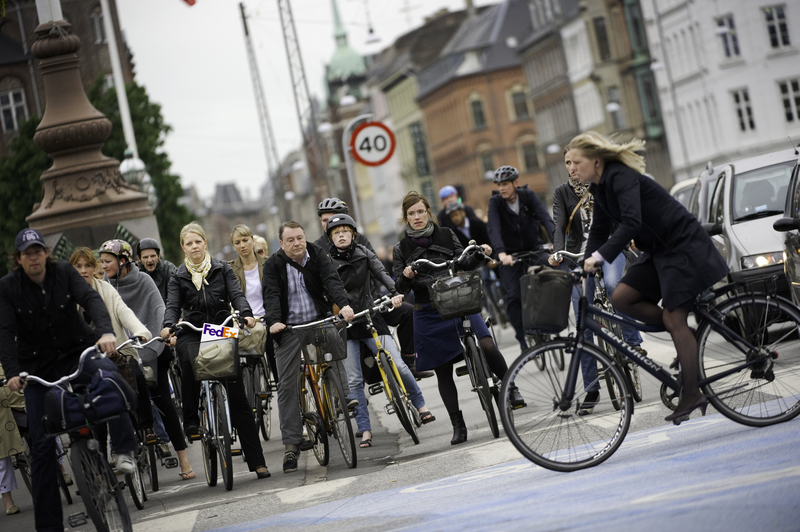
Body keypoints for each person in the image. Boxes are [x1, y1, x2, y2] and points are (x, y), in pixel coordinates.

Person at [567, 131, 728, 421]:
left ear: (597, 160)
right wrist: (583, 266)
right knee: (622, 298)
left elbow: (631, 223)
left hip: (682, 247)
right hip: (659, 251)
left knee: (674, 318)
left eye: (577, 162)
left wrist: (599, 258)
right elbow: (599, 231)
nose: (572, 168)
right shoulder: (599, 187)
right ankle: (686, 336)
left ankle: (692, 394)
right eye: (570, 163)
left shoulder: (621, 176)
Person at [0, 228, 138, 531]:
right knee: (41, 447)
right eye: (27, 254)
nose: (33, 258)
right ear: (19, 259)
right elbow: (5, 333)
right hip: (37, 368)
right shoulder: (8, 287)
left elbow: (90, 298)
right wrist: (11, 373)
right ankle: (49, 527)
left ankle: (125, 449)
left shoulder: (64, 272)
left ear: (46, 253)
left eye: (38, 251)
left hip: (77, 352)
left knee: (111, 379)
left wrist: (105, 332)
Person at [392, 192, 523, 445]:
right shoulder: (401, 248)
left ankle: (511, 389)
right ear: (405, 218)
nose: (417, 217)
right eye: (411, 214)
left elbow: (465, 261)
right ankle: (458, 425)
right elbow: (399, 286)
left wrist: (480, 253)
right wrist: (406, 276)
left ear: (428, 212)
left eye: (420, 211)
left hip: (458, 299)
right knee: (443, 371)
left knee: (487, 345)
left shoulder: (446, 234)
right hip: (427, 310)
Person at [71, 247, 195, 480]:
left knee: (149, 388)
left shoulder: (110, 288)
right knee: (91, 413)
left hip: (126, 349)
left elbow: (124, 311)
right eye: (78, 266)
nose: (84, 270)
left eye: (89, 265)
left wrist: (142, 331)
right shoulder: (68, 296)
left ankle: (151, 430)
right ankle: (100, 472)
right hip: (86, 360)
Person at [160, 222, 270, 480]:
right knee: (189, 360)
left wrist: (246, 313)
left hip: (220, 328)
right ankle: (191, 420)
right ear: (183, 247)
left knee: (237, 395)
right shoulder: (178, 276)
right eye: (189, 243)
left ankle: (258, 462)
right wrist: (168, 325)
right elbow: (172, 305)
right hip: (191, 330)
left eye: (198, 242)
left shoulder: (222, 268)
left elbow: (237, 295)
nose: (194, 247)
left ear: (205, 243)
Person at [326, 214, 435, 448]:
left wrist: (395, 292)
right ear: (331, 238)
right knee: (354, 380)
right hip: (346, 324)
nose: (341, 236)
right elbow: (327, 291)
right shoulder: (327, 263)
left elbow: (381, 273)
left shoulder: (364, 253)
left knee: (398, 364)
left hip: (370, 315)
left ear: (353, 235)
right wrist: (334, 312)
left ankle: (421, 406)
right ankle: (365, 430)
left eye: (345, 231)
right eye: (336, 233)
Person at [262, 221, 356, 472]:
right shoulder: (273, 265)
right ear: (281, 243)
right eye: (290, 240)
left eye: (300, 238)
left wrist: (344, 304)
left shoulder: (317, 253)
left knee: (335, 345)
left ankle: (342, 399)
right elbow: (271, 294)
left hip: (318, 320)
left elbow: (332, 281)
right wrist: (274, 321)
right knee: (287, 385)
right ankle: (291, 444)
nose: (297, 243)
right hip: (289, 329)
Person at [315, 198, 432, 380]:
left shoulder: (360, 239)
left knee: (408, 312)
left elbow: (376, 268)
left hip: (371, 300)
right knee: (353, 366)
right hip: (343, 310)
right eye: (325, 220)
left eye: (334, 218)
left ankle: (409, 361)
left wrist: (392, 293)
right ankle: (360, 387)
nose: (329, 223)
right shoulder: (317, 248)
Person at [487, 166, 555, 351]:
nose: (501, 188)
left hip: (534, 249)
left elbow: (545, 218)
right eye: (499, 185)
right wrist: (501, 253)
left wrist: (556, 242)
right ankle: (522, 337)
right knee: (514, 295)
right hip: (510, 255)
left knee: (552, 275)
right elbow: (494, 229)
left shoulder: (527, 196)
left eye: (505, 184)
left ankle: (549, 320)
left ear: (515, 183)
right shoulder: (495, 203)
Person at [229, 224, 268, 355]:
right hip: (244, 324)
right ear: (234, 246)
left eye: (245, 240)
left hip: (268, 320)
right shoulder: (230, 269)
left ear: (252, 240)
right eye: (237, 243)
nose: (242, 245)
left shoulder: (268, 264)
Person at [0, 361, 24, 516]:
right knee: (2, 451)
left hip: (19, 394)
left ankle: (61, 468)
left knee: (45, 422)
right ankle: (7, 499)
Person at [135, 238, 177, 304]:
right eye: (145, 257)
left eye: (153, 256)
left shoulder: (169, 270)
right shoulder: (134, 272)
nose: (149, 260)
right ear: (139, 259)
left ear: (159, 256)